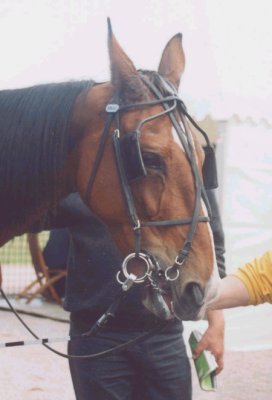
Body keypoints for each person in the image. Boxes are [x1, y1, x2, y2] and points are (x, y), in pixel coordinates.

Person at [33, 190, 225, 400]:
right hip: (95, 337)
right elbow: (24, 213)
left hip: (164, 333)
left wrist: (217, 322)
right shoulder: (83, 170)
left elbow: (212, 243)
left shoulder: (179, 166)